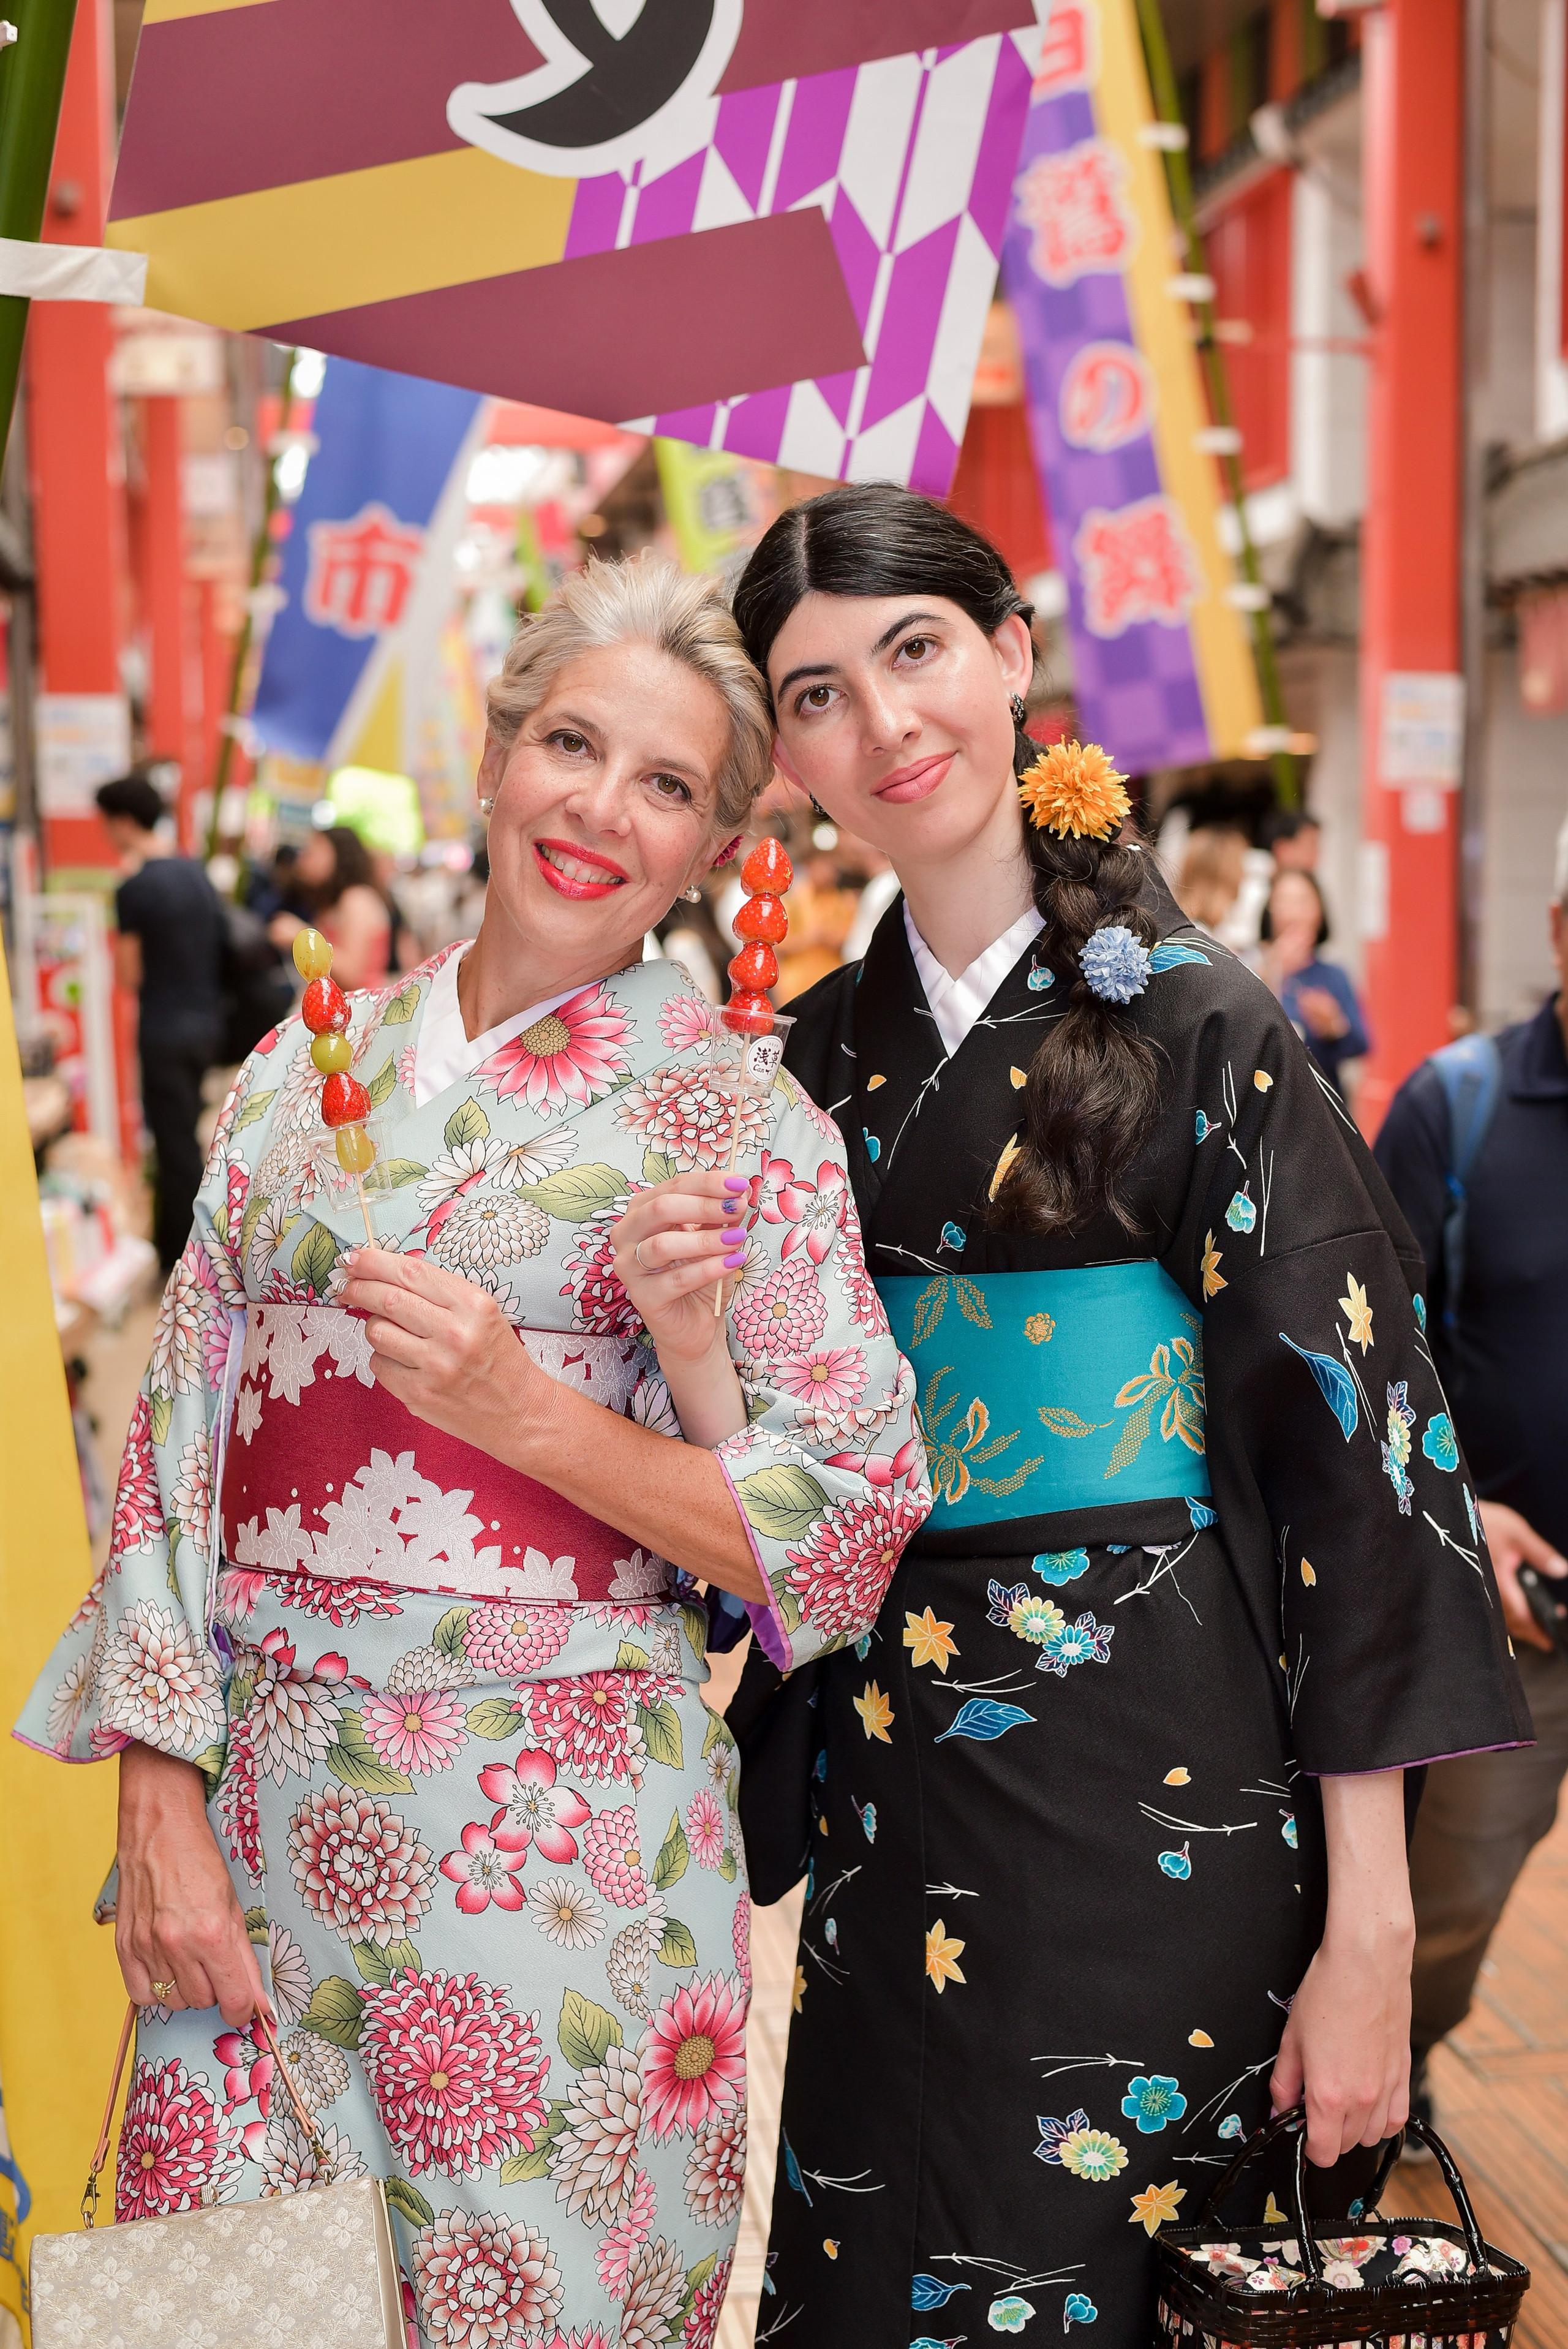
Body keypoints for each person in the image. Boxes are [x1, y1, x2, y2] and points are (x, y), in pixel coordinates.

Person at [19, 556, 925, 2348]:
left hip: (556, 1851)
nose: (599, 808)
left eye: (665, 784)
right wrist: (159, 1789)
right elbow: (178, 1434)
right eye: (570, 744)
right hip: (262, 1832)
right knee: (237, 2313)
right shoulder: (301, 1068)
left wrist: (531, 1415)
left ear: (713, 846)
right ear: (498, 752)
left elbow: (841, 1527)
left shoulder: (741, 1122)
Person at [724, 485, 1527, 2348]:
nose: (882, 721)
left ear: (1012, 654)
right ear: (785, 752)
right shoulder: (811, 1060)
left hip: (1167, 1787)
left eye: (915, 650)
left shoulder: (1202, 1023)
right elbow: (764, 1472)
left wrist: (1370, 1925)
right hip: (900, 1789)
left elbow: (1356, 1477)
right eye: (816, 692)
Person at [1373, 816, 1568, 2139]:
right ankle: (1383, 2074)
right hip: (1509, 1622)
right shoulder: (1459, 1104)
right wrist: (1462, 1514)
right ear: (1555, 932)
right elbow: (1370, 1360)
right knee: (1446, 1902)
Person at [96, 771, 227, 1270]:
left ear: (124, 822)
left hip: (164, 1029)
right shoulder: (195, 873)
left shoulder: (135, 888)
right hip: (208, 1026)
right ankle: (175, 1247)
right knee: (186, 1136)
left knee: (175, 1150)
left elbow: (129, 974)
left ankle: (188, 1260)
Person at [1255, 866, 1370, 1099]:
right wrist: (1275, 970)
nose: (1293, 913)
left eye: (1303, 902)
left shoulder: (1334, 975)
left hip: (1322, 1102)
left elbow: (1362, 1044)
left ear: (1320, 912)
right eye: (1284, 902)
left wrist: (1334, 1027)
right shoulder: (1250, 966)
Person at [270, 822, 392, 988]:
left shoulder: (356, 899)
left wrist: (301, 935)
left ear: (339, 857)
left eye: (312, 853)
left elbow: (352, 975)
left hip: (360, 1001)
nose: (302, 860)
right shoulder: (334, 901)